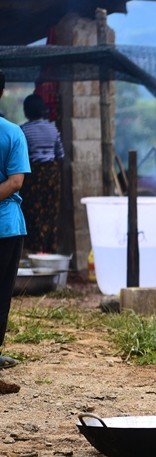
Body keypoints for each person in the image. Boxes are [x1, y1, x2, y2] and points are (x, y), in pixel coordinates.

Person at [0, 69, 30, 370]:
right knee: (1, 290)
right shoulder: (12, 133)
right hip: (6, 226)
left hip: (7, 226)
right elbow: (16, 181)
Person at [19, 93, 64, 254]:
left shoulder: (24, 130)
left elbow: (21, 156)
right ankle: (49, 249)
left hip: (34, 176)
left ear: (26, 111)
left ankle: (36, 250)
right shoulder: (53, 129)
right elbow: (60, 155)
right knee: (51, 212)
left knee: (33, 212)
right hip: (52, 174)